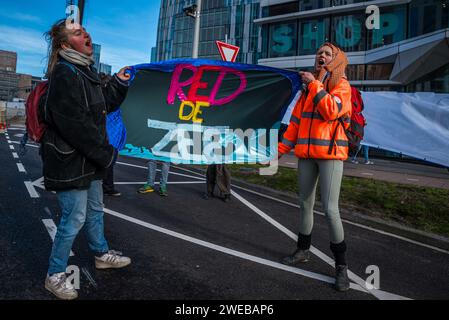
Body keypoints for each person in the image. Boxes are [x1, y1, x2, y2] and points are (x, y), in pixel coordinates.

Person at [40, 19, 131, 300]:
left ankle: (101, 254)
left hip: (87, 160)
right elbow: (75, 125)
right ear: (66, 45)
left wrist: (118, 82)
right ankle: (54, 274)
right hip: (70, 161)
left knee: (94, 210)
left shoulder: (84, 70)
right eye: (78, 33)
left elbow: (102, 106)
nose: (86, 34)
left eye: (85, 31)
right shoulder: (65, 74)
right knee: (74, 217)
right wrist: (105, 154)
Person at [278, 42, 352, 292]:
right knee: (304, 204)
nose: (321, 56)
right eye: (319, 52)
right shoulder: (307, 90)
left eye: (327, 53)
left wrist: (315, 85)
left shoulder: (342, 86)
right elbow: (295, 125)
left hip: (330, 156)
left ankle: (341, 268)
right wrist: (278, 151)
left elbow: (331, 111)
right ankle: (302, 251)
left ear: (336, 59)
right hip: (306, 155)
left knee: (330, 210)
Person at [101, 73, 127, 196]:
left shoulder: (112, 101)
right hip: (108, 138)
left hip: (113, 137)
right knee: (108, 163)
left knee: (110, 163)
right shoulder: (106, 102)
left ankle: (107, 187)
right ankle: (107, 187)